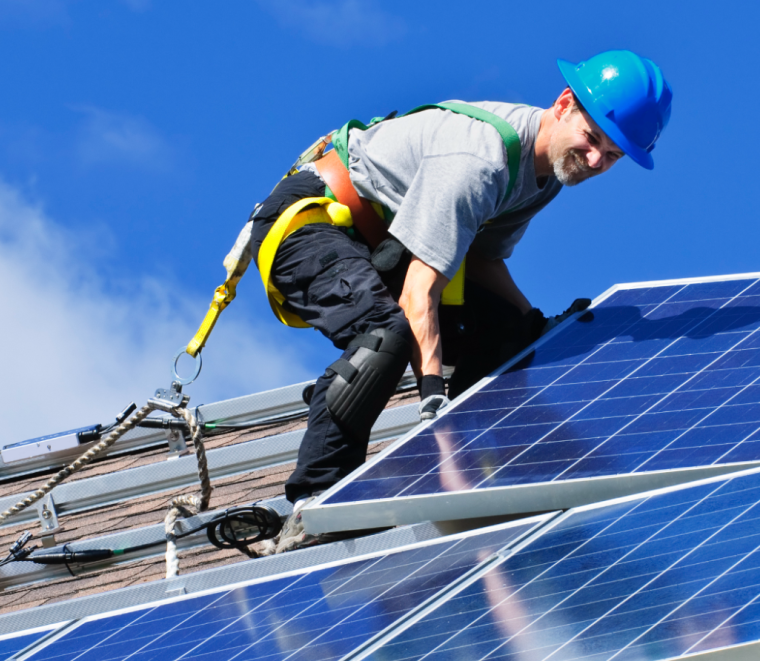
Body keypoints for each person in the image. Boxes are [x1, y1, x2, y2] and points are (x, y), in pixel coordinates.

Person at [248, 50, 672, 552]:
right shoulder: (482, 159)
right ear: (564, 105)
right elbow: (418, 293)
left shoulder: (545, 176)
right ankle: (317, 501)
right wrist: (432, 400)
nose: (597, 159)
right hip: (309, 223)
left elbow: (484, 262)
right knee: (386, 335)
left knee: (512, 336)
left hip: (382, 245)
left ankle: (484, 461)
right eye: (593, 138)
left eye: (614, 155)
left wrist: (533, 323)